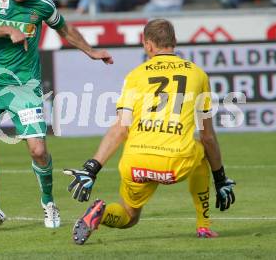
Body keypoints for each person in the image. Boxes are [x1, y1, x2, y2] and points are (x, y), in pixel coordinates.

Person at [0, 0, 113, 228]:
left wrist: (91, 51)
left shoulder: (43, 4)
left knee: (37, 150)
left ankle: (48, 202)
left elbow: (65, 30)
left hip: (25, 86)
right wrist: (6, 30)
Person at [64, 19, 236, 244]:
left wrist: (92, 168)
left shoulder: (135, 75)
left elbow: (120, 128)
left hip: (136, 161)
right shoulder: (198, 75)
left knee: (129, 216)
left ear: (148, 45)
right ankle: (203, 226)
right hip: (175, 163)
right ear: (174, 42)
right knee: (202, 150)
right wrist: (220, 177)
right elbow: (208, 135)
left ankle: (101, 214)